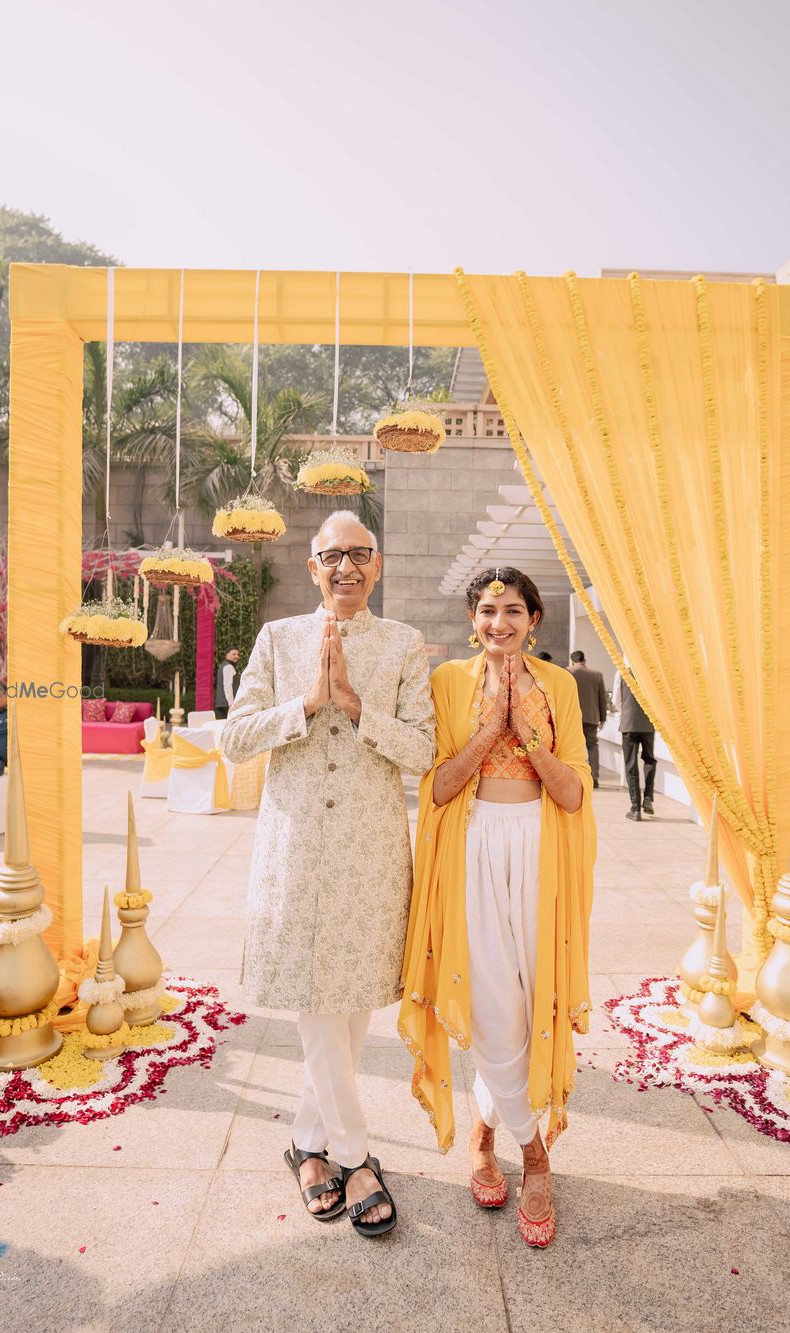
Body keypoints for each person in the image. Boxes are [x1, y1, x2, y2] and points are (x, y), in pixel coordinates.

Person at [222, 511, 435, 1238]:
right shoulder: (278, 640)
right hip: (298, 845)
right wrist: (307, 704)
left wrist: (355, 704)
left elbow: (423, 752)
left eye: (359, 554)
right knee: (319, 1002)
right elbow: (232, 737)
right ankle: (355, 1155)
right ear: (312, 566)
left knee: (349, 1009)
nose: (346, 567)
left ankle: (306, 1145)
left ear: (377, 565)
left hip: (371, 851)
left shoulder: (405, 645)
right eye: (332, 555)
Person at [399, 566, 596, 1249]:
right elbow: (438, 787)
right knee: (489, 1004)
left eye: (513, 609)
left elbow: (573, 794)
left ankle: (485, 1131)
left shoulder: (561, 686)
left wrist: (527, 732)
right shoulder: (448, 683)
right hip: (472, 849)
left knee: (529, 1000)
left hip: (540, 853)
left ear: (535, 618)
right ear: (471, 617)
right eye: (488, 610)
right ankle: (534, 1152)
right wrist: (489, 733)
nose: (499, 622)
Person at [613, 667, 656, 820]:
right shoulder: (651, 672)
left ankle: (636, 808)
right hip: (648, 724)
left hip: (629, 723)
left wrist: (626, 711)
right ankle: (648, 797)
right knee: (650, 759)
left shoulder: (622, 672)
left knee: (631, 765)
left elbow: (616, 701)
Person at [567, 650, 608, 789]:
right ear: (584, 660)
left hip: (571, 718)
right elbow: (602, 698)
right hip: (591, 717)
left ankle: (572, 776)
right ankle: (594, 777)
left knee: (570, 747)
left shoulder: (567, 672)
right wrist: (603, 717)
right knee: (592, 745)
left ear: (572, 661)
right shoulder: (596, 675)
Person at [214, 646, 241, 719]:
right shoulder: (228, 667)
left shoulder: (223, 665)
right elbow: (227, 687)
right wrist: (231, 705)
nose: (236, 656)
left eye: (237, 654)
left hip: (222, 704)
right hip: (226, 705)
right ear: (227, 654)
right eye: (234, 654)